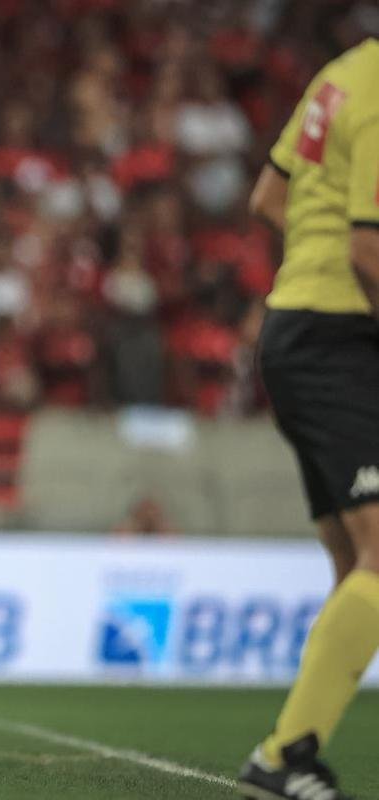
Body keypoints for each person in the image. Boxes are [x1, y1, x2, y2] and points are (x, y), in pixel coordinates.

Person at [236, 35, 379, 800]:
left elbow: (268, 198)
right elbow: (368, 253)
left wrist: (310, 260)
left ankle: (294, 743)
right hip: (339, 337)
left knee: (355, 563)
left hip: (297, 329)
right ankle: (284, 754)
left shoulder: (343, 74)